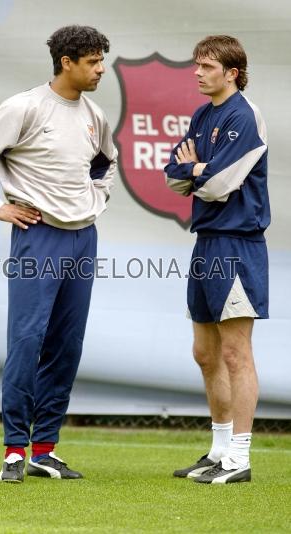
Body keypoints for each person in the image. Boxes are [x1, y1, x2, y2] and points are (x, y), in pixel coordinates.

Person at [0, 25, 117, 483]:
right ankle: (12, 451)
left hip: (84, 239)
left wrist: (95, 201)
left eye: (102, 60)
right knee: (27, 341)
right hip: (38, 236)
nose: (101, 68)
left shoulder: (94, 115)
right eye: (93, 61)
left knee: (67, 345)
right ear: (67, 62)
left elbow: (106, 163)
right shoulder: (25, 107)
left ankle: (44, 448)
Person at [164, 35, 270, 484]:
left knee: (234, 352)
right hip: (206, 241)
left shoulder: (243, 116)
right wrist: (193, 170)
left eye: (207, 66)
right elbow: (173, 178)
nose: (197, 72)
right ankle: (219, 450)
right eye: (197, 65)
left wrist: (198, 171)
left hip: (237, 244)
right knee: (205, 353)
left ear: (232, 72)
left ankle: (240, 460)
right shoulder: (202, 114)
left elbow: (218, 185)